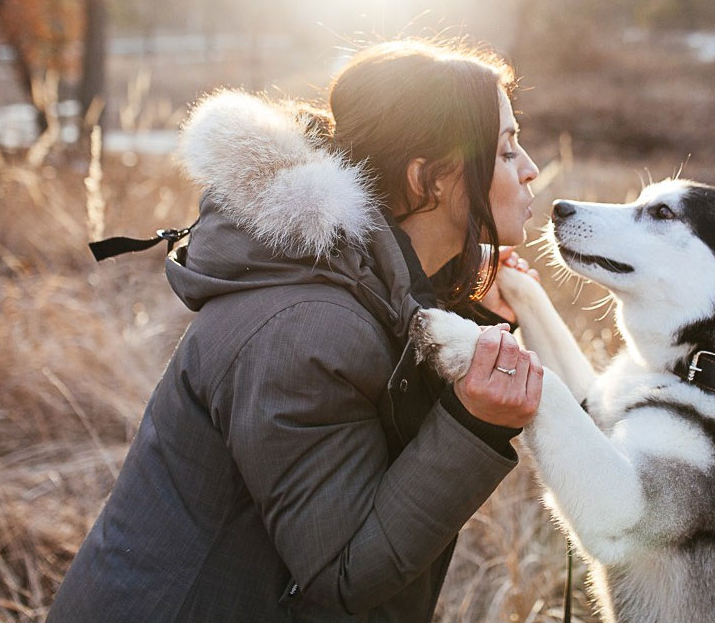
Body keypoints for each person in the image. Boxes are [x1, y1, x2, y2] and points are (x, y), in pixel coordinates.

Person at [48, 39, 545, 622]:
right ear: (426, 180)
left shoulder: (350, 287)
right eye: (506, 150)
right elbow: (344, 571)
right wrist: (473, 422)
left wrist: (465, 302)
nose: (530, 168)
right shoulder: (305, 330)